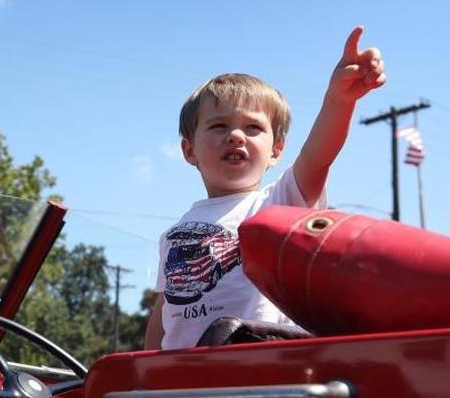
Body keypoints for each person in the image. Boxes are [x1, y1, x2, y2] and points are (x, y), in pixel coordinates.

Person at [145, 26, 386, 350]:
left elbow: (317, 157)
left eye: (253, 127)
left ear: (276, 150)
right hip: (183, 380)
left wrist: (339, 100)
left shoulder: (277, 204)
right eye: (219, 126)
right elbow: (164, 312)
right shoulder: (175, 233)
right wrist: (144, 374)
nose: (236, 136)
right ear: (190, 151)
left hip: (257, 367)